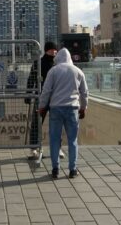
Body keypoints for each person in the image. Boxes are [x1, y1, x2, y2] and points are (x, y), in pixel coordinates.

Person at [38, 48, 89, 179]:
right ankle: (73, 169)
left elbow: (46, 91)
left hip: (55, 108)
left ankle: (55, 169)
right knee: (72, 140)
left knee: (54, 139)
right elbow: (84, 93)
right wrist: (83, 108)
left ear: (58, 58)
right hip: (72, 109)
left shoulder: (53, 71)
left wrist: (42, 106)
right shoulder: (78, 71)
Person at [26, 41, 58, 160]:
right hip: (41, 97)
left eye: (55, 50)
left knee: (57, 123)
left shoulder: (58, 63)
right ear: (46, 50)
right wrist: (28, 95)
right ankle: (34, 148)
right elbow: (31, 79)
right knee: (36, 123)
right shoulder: (38, 63)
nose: (54, 52)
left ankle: (57, 148)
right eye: (52, 50)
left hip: (56, 98)